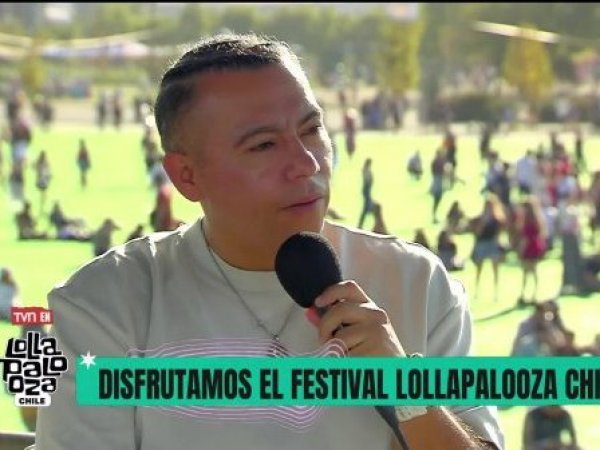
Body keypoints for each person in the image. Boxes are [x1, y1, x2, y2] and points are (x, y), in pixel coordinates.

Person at [35, 33, 503, 450]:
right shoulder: (103, 305)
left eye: (311, 130)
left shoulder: (416, 283)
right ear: (186, 176)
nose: (307, 163)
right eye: (264, 145)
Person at [470, 194, 506, 301]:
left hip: (492, 244)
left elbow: (500, 233)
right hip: (482, 243)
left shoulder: (497, 219)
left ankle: (496, 292)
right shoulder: (479, 218)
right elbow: (477, 233)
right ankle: (476, 290)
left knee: (495, 269)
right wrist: (483, 222)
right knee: (479, 269)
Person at [515, 198, 547, 306]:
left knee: (526, 272)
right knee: (533, 272)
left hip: (528, 249)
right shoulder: (537, 220)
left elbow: (525, 239)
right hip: (535, 247)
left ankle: (524, 294)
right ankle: (534, 294)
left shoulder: (526, 222)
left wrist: (520, 250)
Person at [357, 158, 374, 229]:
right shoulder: (366, 170)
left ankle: (360, 224)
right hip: (367, 190)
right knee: (366, 208)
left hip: (367, 190)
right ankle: (360, 224)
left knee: (366, 208)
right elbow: (368, 180)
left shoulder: (366, 170)